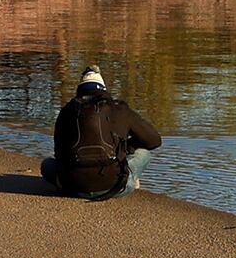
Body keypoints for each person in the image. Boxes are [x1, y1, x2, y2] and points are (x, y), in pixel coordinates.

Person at [41, 66, 162, 200]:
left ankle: (78, 184)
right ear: (103, 89)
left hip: (71, 188)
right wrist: (127, 146)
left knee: (47, 165)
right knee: (144, 153)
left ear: (79, 90)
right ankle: (130, 180)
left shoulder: (66, 112)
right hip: (114, 187)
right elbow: (154, 140)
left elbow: (59, 154)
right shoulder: (119, 109)